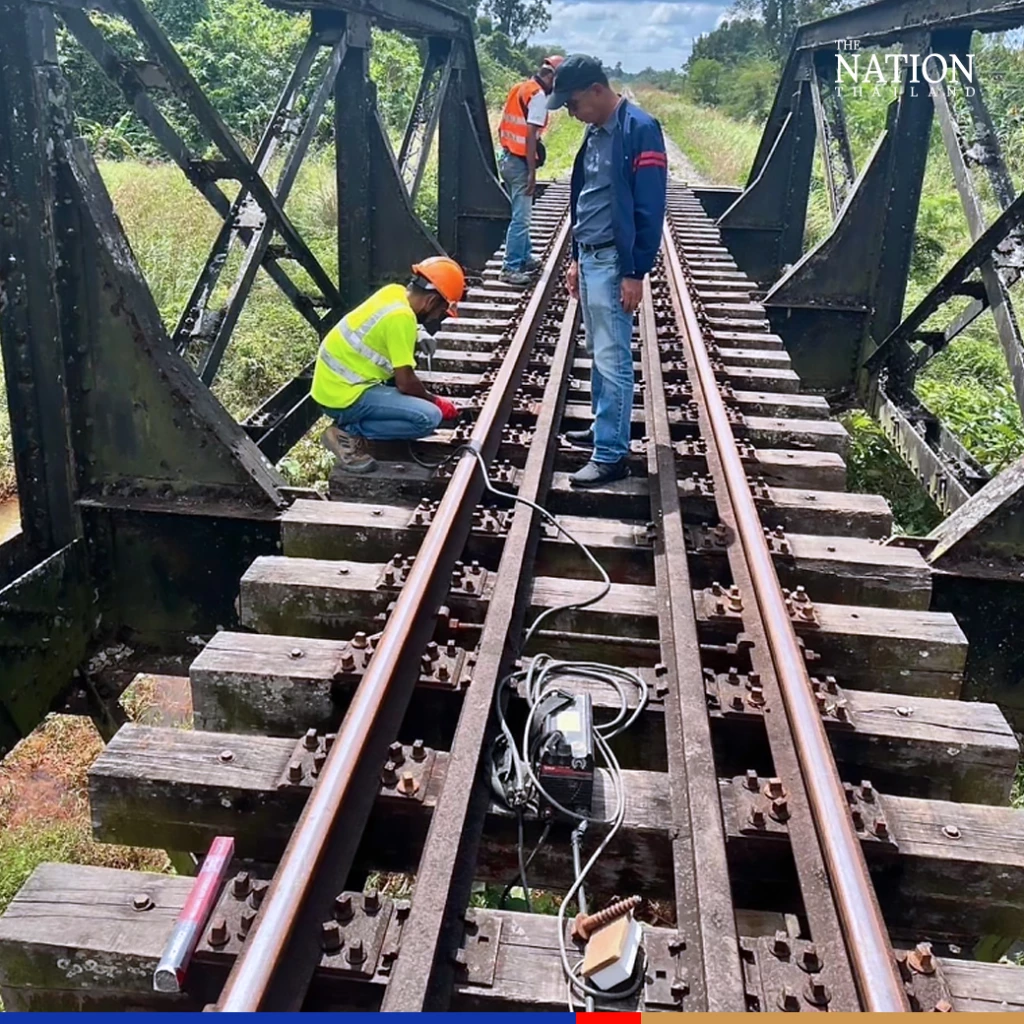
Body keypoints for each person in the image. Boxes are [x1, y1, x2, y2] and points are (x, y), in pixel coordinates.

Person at [548, 55, 667, 488]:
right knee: (597, 352)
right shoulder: (595, 133)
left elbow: (650, 207)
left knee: (613, 358)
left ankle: (611, 455)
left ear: (598, 91)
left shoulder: (640, 130)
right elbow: (588, 198)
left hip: (616, 263)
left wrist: (635, 271)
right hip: (592, 257)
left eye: (574, 103)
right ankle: (602, 427)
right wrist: (577, 257)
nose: (570, 112)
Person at [312, 256, 463, 474]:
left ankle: (350, 426)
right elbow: (405, 383)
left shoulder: (394, 292)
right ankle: (348, 432)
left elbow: (386, 322)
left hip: (331, 386)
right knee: (429, 417)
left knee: (422, 409)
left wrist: (418, 333)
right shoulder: (401, 319)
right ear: (431, 301)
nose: (436, 317)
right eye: (440, 311)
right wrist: (436, 401)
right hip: (344, 397)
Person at [497, 55, 564, 286]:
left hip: (506, 158)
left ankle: (525, 256)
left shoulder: (519, 88)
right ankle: (510, 266)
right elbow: (529, 135)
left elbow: (502, 125)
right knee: (521, 218)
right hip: (520, 163)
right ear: (551, 76)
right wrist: (532, 172)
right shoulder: (538, 96)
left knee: (519, 212)